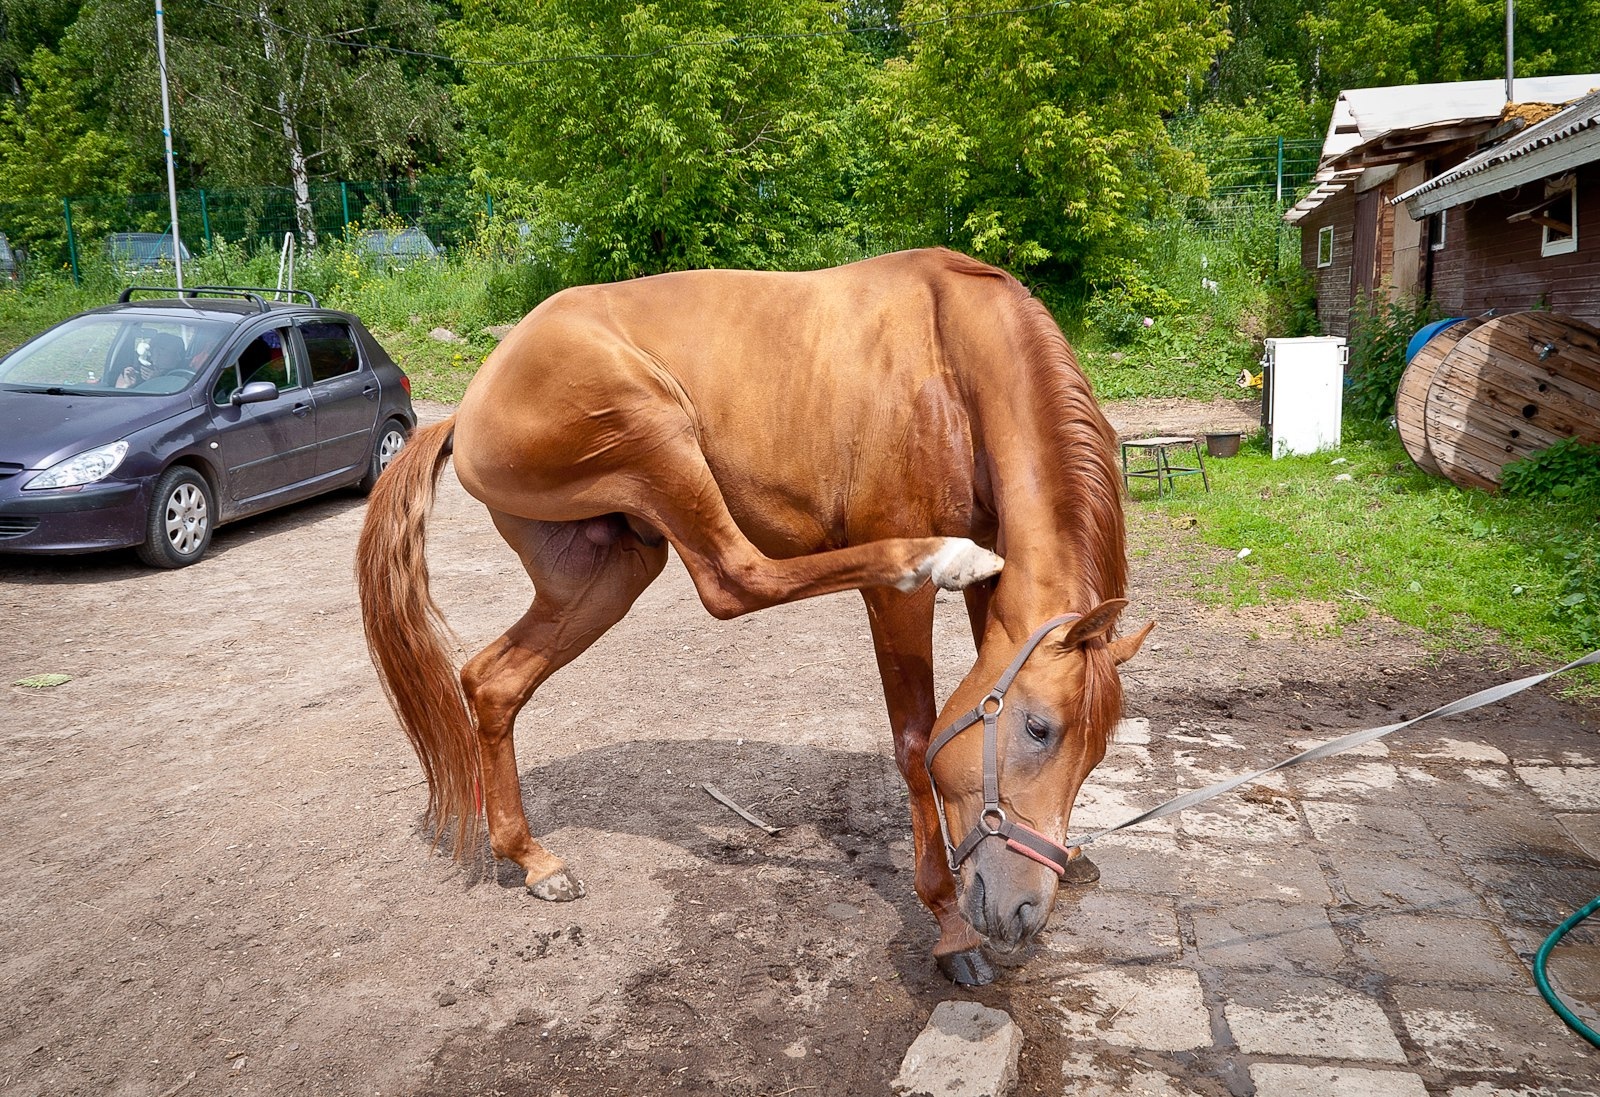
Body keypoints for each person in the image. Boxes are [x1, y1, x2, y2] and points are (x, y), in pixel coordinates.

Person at [115, 333, 187, 388]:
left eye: (180, 353)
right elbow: (117, 398)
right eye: (174, 353)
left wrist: (157, 380)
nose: (179, 358)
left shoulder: (185, 374)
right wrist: (127, 386)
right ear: (157, 353)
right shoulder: (133, 372)